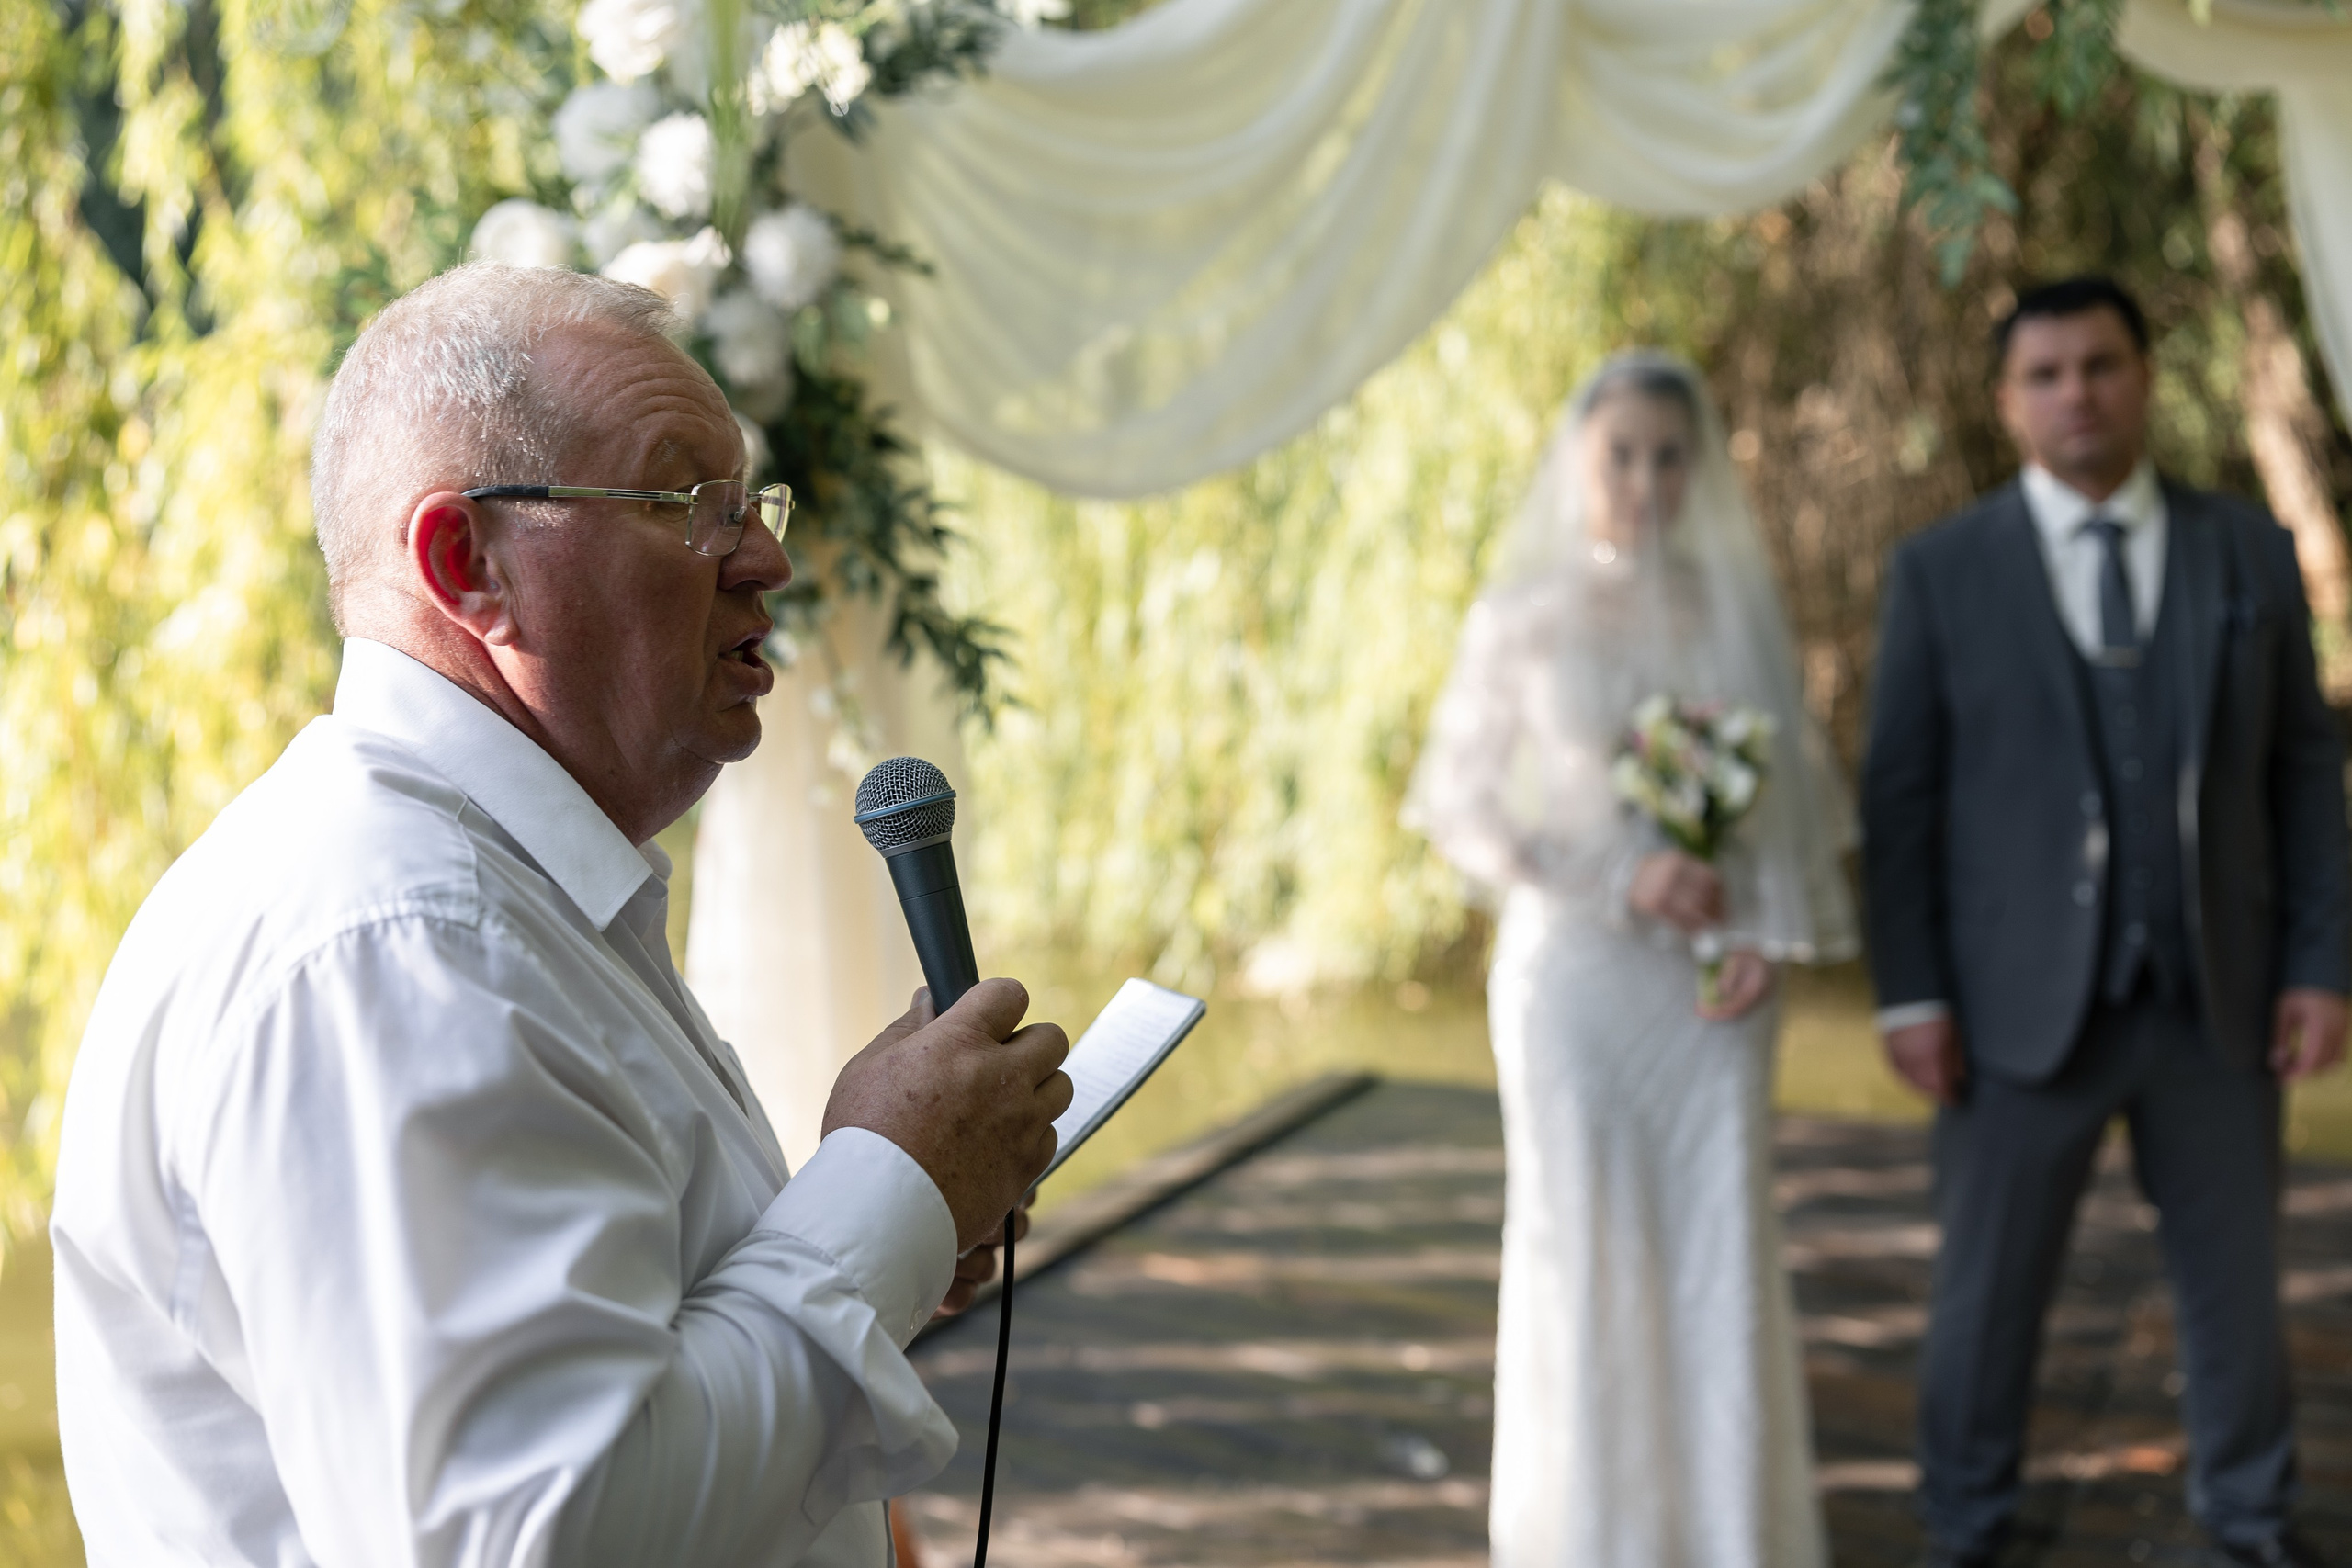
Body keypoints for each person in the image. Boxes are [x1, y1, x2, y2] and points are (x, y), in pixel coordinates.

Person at [49, 262, 1073, 1567]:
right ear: (467, 564)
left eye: (750, 501)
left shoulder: (486, 892)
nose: (767, 558)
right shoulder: (396, 945)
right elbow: (533, 1534)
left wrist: (889, 1218)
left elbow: (625, 1373)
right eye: (689, 503)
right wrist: (888, 1186)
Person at [1862, 276, 2350, 1568]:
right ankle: (1964, 1527)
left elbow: (2305, 766)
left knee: (2238, 1294)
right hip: (2013, 1011)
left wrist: (2321, 963)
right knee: (1985, 1297)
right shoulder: (1942, 571)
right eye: (2047, 374)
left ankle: (2250, 1522)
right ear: (2009, 401)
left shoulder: (2245, 549)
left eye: (2100, 365)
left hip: (2219, 995)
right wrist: (1911, 994)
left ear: (2144, 374)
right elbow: (1899, 801)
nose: (2077, 392)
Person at [1408, 352, 1859, 1568]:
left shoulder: (1731, 611)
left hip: (1710, 987)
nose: (1647, 479)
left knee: (1718, 1232)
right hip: (1579, 981)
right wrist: (1617, 880)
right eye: (1623, 453)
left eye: (1672, 456)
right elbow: (1457, 808)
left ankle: (1730, 1532)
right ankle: (1595, 1537)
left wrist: (1760, 932)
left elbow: (1790, 807)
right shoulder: (1524, 618)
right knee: (1585, 1234)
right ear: (1576, 461)